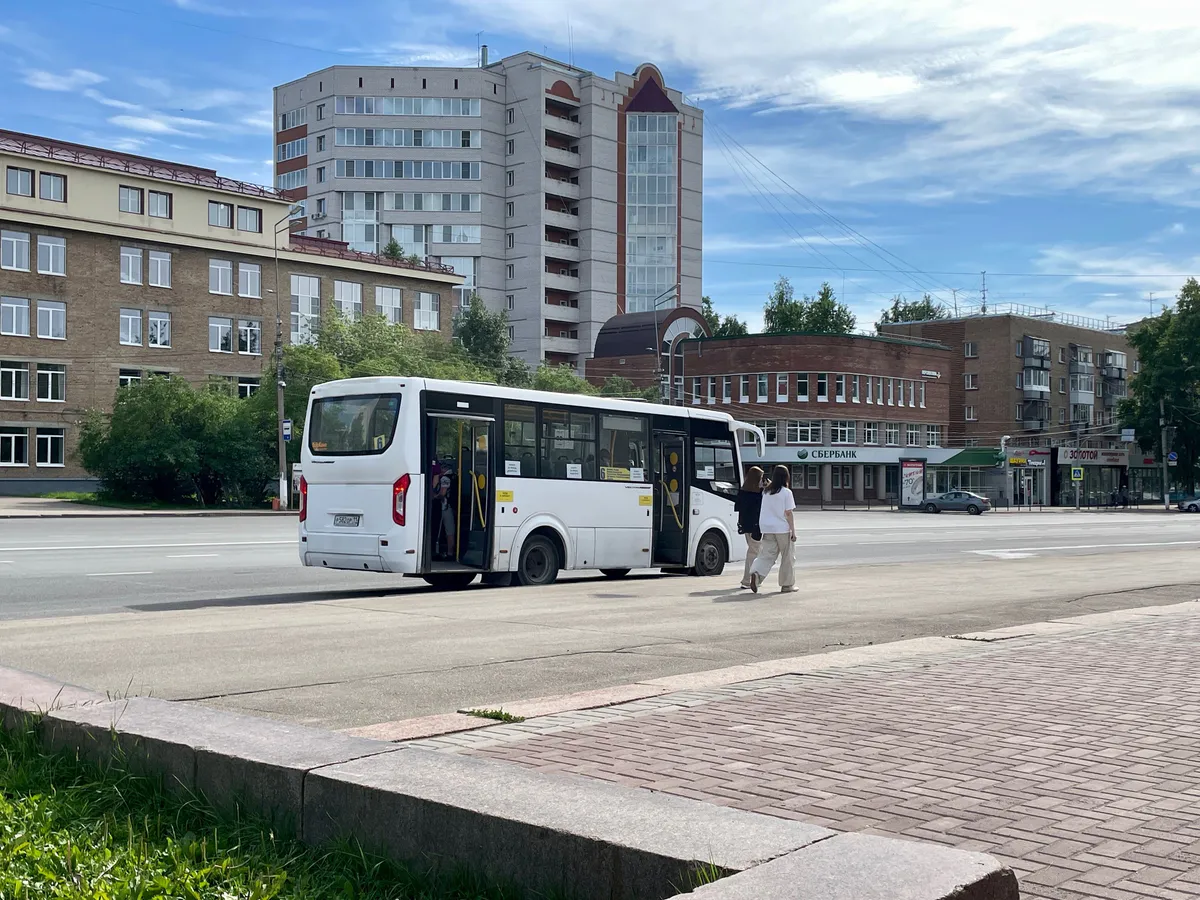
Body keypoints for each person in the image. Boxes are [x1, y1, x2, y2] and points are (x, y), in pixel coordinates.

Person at [747, 465, 796, 594]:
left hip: (767, 528)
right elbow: (789, 513)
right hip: (782, 529)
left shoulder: (766, 492)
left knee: (767, 555)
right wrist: (793, 531)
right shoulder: (786, 493)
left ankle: (756, 575)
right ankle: (787, 585)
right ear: (786, 477)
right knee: (787, 556)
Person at [735, 466, 766, 589]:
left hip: (745, 526)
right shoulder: (758, 495)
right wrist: (765, 489)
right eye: (761, 478)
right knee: (753, 553)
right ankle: (747, 580)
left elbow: (738, 508)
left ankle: (755, 578)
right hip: (756, 527)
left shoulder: (743, 491)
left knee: (754, 552)